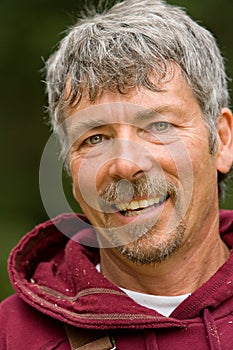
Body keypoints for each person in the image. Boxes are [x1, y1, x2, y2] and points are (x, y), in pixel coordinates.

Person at [1, 0, 233, 349]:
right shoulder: (12, 335)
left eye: (158, 125)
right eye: (95, 138)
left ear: (223, 141)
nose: (125, 165)